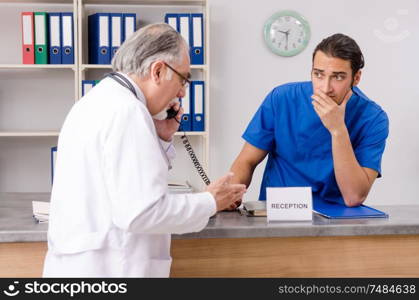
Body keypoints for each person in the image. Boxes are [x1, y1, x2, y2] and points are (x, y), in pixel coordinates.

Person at [43, 23, 246, 277]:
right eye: (184, 78)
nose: (183, 92)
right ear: (158, 71)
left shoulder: (95, 102)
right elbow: (142, 213)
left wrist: (160, 137)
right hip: (112, 269)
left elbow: (122, 187)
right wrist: (210, 201)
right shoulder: (128, 111)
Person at [230, 33, 388, 209]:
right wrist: (230, 193)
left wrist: (338, 130)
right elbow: (246, 161)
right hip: (279, 212)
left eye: (338, 77)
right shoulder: (282, 99)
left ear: (356, 78)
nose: (325, 88)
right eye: (319, 74)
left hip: (337, 219)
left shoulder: (373, 118)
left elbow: (354, 196)